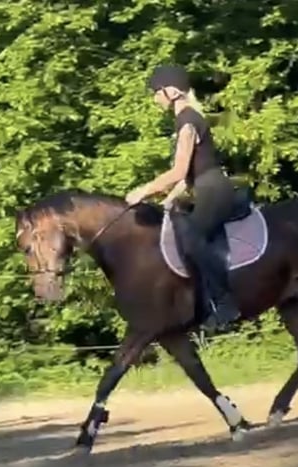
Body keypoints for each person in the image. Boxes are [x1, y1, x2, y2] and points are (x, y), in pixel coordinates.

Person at [126, 64, 241, 332]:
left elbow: (178, 170)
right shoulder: (185, 120)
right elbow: (186, 175)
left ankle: (224, 303)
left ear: (172, 91)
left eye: (157, 92)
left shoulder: (188, 121)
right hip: (203, 186)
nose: (155, 98)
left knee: (191, 240)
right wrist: (171, 198)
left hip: (213, 189)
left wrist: (144, 190)